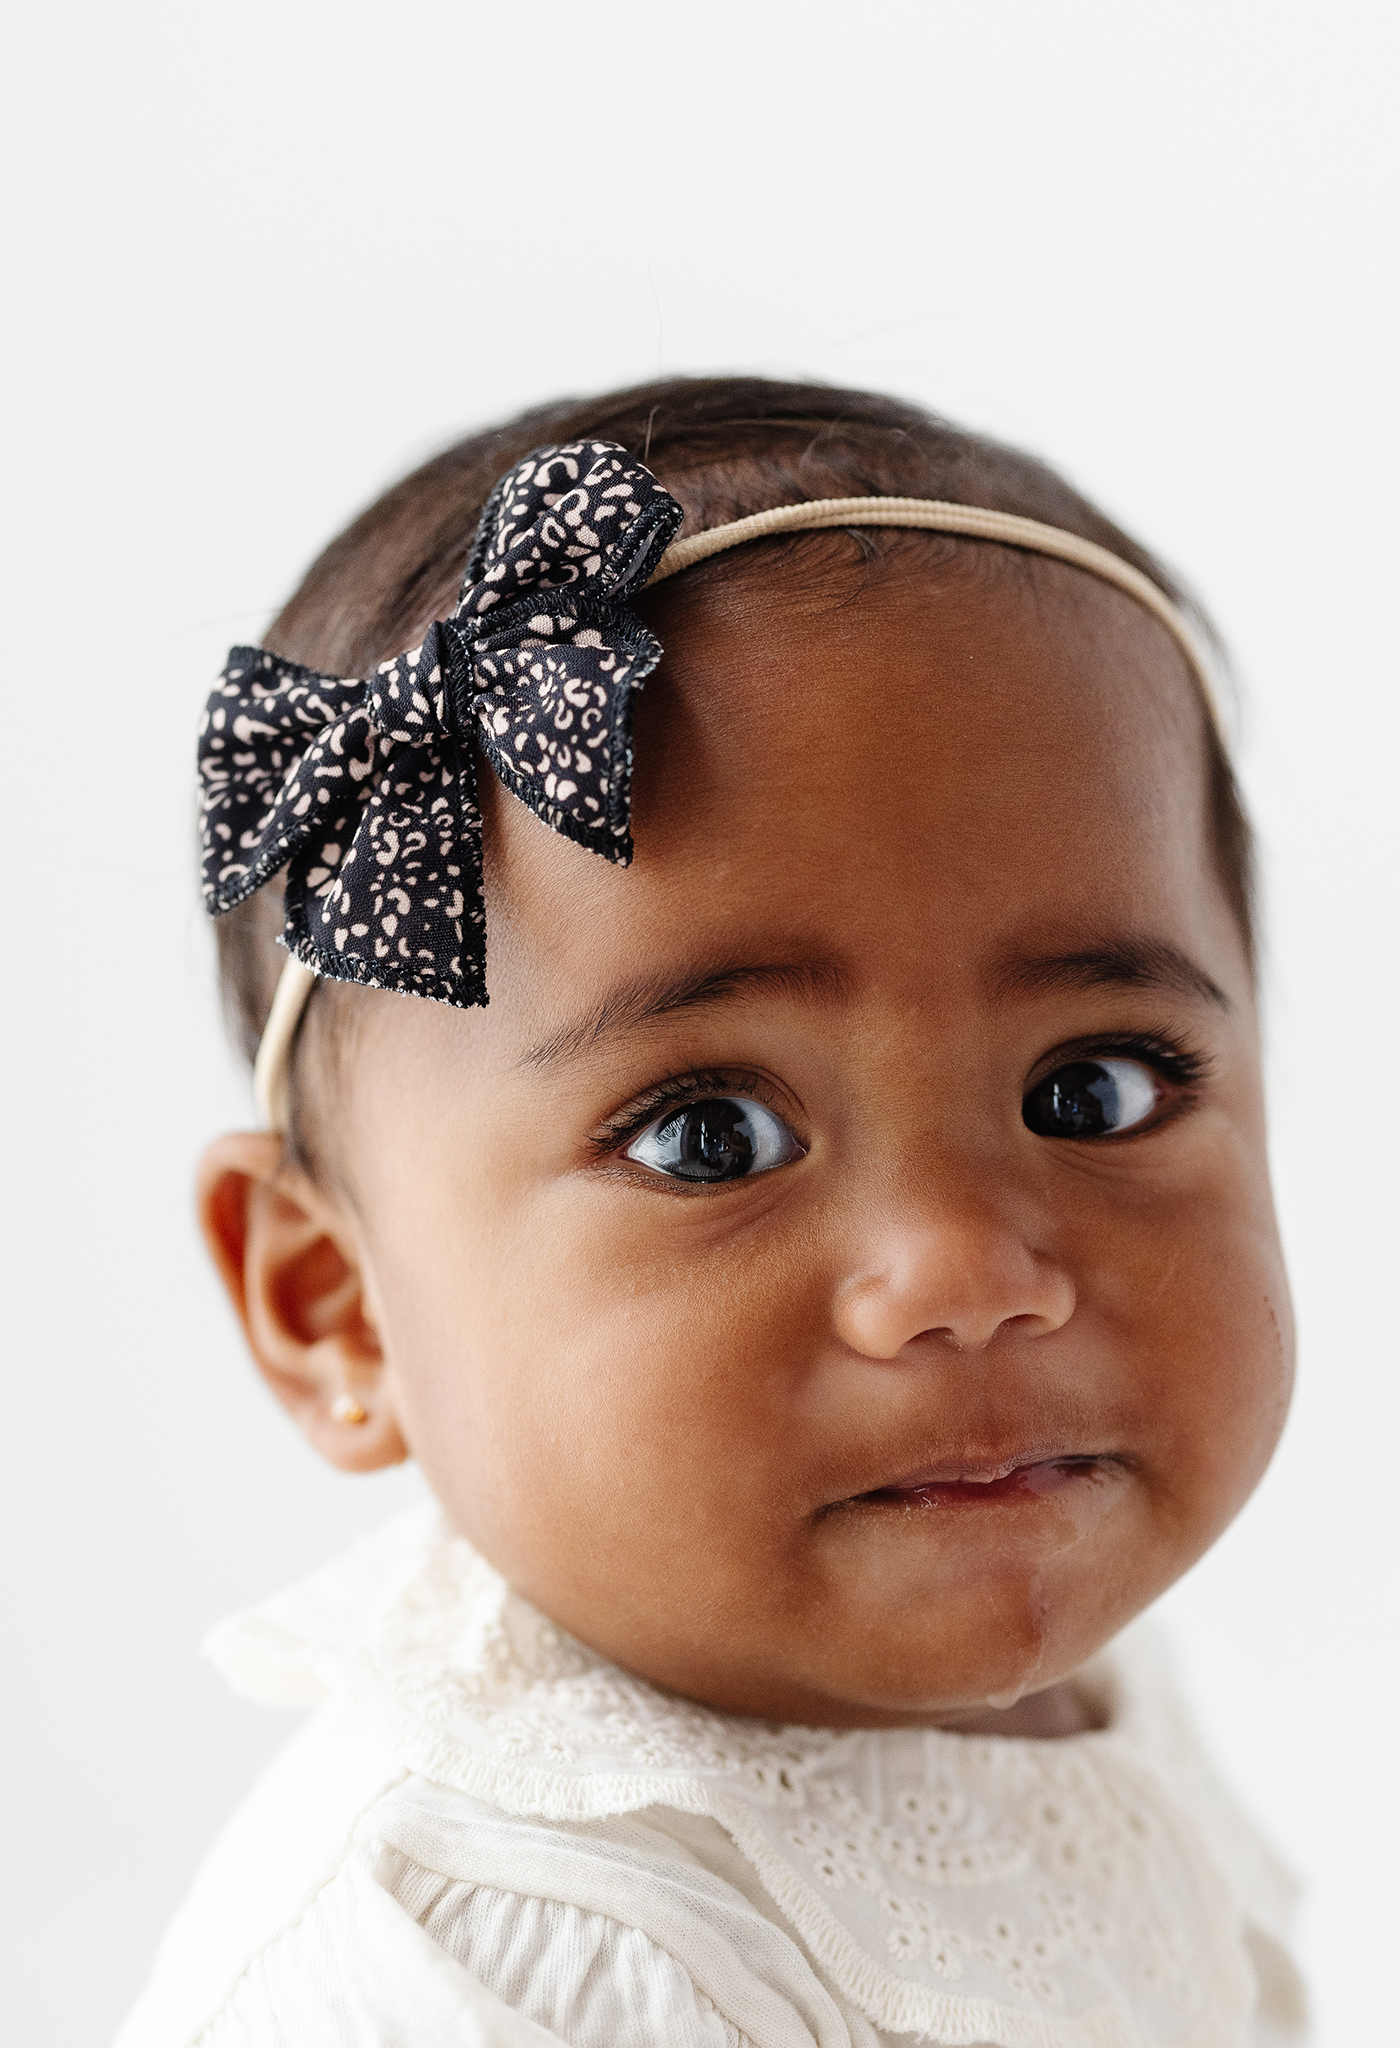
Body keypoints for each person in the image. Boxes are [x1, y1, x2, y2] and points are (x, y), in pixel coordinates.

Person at [118, 378, 1307, 2047]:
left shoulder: (1066, 1675)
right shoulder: (511, 1950)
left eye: (1092, 1088)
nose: (968, 1272)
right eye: (709, 1139)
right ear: (338, 1306)